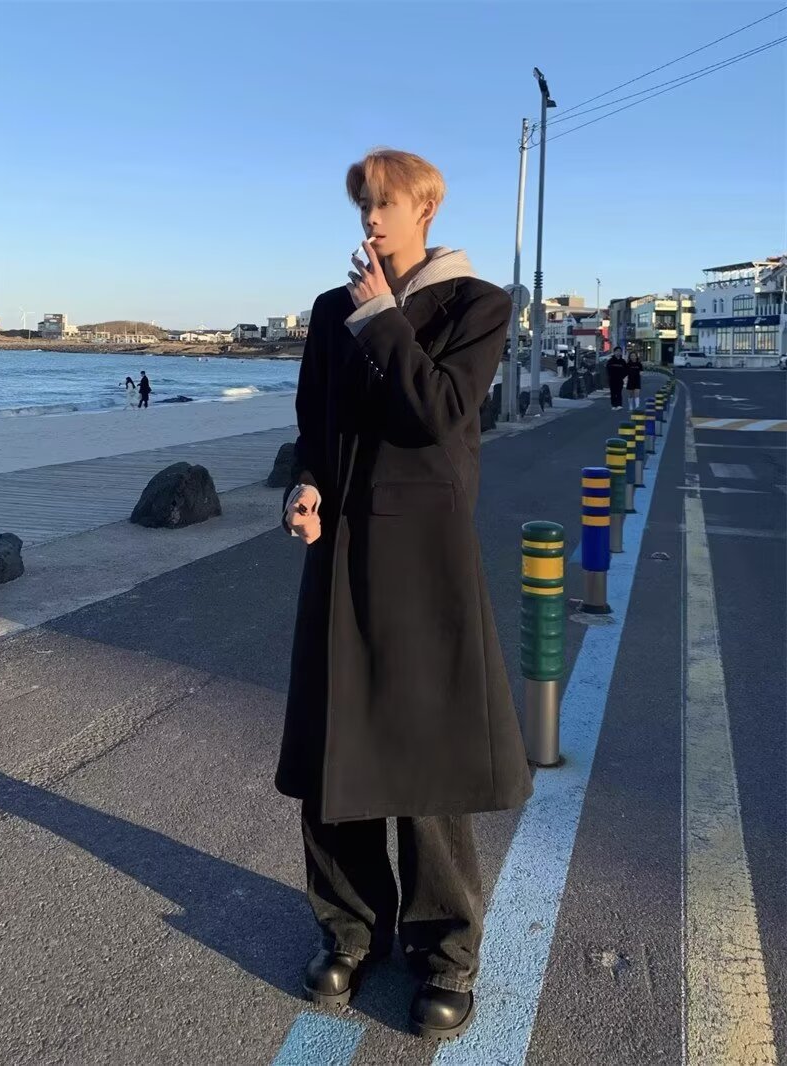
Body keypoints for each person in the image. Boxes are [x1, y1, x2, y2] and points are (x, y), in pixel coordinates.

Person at [278, 149, 532, 1042]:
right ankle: (349, 931)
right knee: (336, 750)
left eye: (384, 203)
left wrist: (383, 317)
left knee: (428, 758)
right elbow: (315, 425)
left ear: (425, 207)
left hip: (425, 559)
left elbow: (438, 411)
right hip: (341, 552)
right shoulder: (330, 310)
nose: (370, 219)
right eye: (363, 205)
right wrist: (306, 486)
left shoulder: (478, 306)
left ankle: (446, 953)